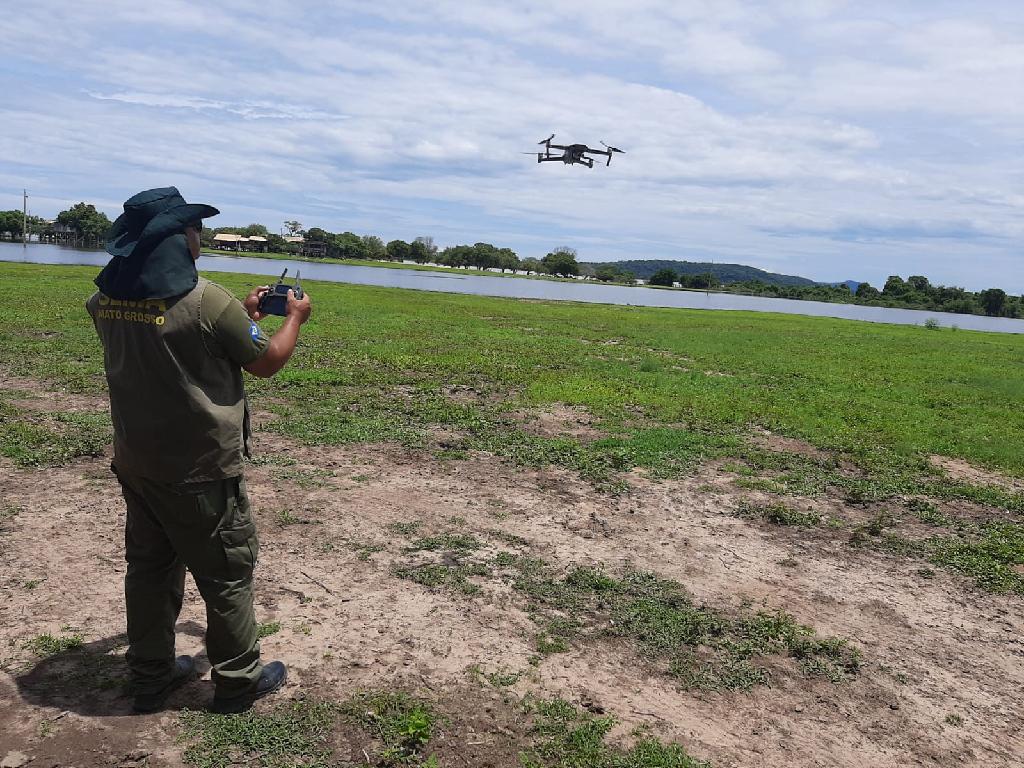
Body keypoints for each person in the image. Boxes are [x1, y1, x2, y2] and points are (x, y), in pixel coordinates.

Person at [86, 187, 312, 714]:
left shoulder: (102, 300)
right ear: (177, 238)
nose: (200, 235)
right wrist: (293, 316)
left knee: (148, 569)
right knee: (227, 573)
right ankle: (236, 681)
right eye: (194, 228)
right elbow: (266, 360)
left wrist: (245, 312)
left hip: (137, 462)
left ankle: (150, 675)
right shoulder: (209, 300)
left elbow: (172, 342)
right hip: (201, 467)